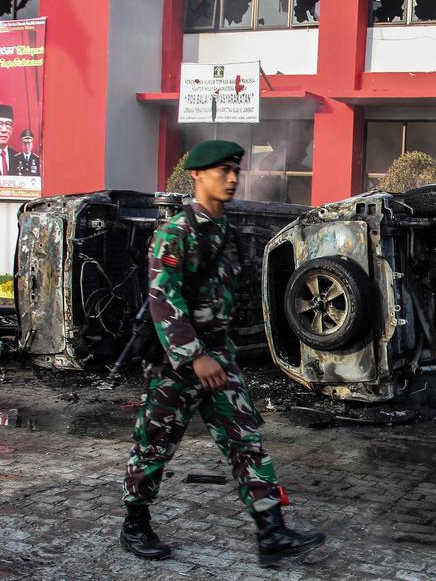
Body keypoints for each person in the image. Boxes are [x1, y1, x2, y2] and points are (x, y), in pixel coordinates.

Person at [120, 140, 326, 566]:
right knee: (155, 445)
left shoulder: (226, 233)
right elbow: (163, 299)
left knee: (246, 440)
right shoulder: (175, 232)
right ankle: (135, 524)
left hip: (219, 356)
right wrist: (195, 356)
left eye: (235, 170)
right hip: (177, 363)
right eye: (222, 171)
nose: (232, 179)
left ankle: (271, 532)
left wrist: (223, 352)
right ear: (196, 175)